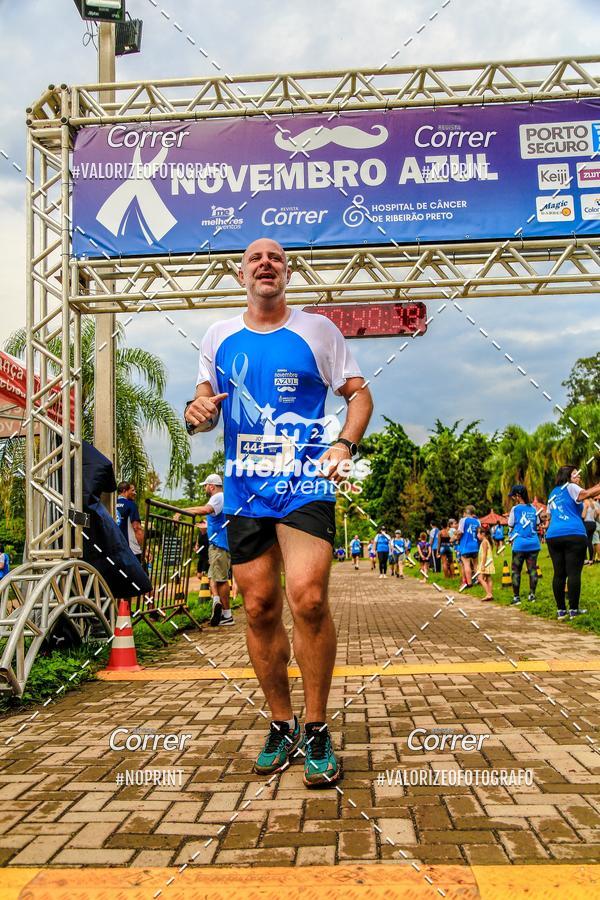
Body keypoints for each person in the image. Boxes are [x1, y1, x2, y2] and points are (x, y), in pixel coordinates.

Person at [184, 237, 373, 787]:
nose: (265, 263)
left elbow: (359, 395)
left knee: (308, 598)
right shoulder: (218, 337)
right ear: (241, 274)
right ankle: (281, 723)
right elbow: (202, 413)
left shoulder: (319, 331)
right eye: (255, 258)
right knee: (259, 606)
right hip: (245, 490)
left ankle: (316, 728)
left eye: (276, 258)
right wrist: (196, 412)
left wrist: (344, 445)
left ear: (287, 273)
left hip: (305, 483)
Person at [546, 466, 600, 620]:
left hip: (553, 535)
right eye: (575, 474)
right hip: (573, 534)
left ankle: (561, 611)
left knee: (559, 574)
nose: (579, 477)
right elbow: (588, 493)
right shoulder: (571, 487)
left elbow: (549, 516)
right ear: (567, 477)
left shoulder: (553, 493)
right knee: (573, 573)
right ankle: (574, 611)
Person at [179, 474, 233, 627]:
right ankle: (216, 601)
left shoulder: (218, 497)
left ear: (211, 486)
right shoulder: (221, 497)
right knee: (212, 576)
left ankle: (227, 615)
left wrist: (181, 511)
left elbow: (205, 510)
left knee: (220, 579)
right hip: (216, 544)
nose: (204, 489)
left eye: (205, 486)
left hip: (219, 544)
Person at [507, 485, 541, 605]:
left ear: (518, 496)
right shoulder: (533, 508)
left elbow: (510, 524)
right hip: (533, 544)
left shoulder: (515, 509)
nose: (513, 498)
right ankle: (532, 595)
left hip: (519, 544)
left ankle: (516, 598)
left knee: (516, 571)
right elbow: (537, 523)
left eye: (513, 496)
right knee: (532, 570)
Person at [115, 481, 144, 563]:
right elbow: (137, 528)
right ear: (125, 491)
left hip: (115, 548)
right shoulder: (131, 505)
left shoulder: (112, 504)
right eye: (131, 490)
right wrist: (144, 548)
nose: (134, 493)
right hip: (131, 550)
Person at [456, 506, 481, 589]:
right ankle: (480, 580)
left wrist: (456, 537)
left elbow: (460, 532)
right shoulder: (477, 521)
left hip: (465, 545)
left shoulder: (463, 520)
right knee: (476, 564)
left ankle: (469, 583)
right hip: (475, 545)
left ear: (466, 512)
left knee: (466, 564)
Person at [476, 525, 495, 601]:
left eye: (478, 533)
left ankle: (489, 594)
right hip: (488, 563)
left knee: (480, 578)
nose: (477, 535)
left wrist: (483, 565)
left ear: (483, 534)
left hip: (485, 563)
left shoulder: (484, 542)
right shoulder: (487, 541)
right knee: (488, 578)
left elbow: (484, 554)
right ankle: (490, 594)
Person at [583, 497, 599, 564]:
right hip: (593, 523)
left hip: (586, 523)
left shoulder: (585, 503)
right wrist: (594, 518)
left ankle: (585, 559)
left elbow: (583, 516)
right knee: (590, 542)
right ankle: (591, 560)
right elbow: (598, 512)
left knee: (584, 542)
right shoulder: (593, 503)